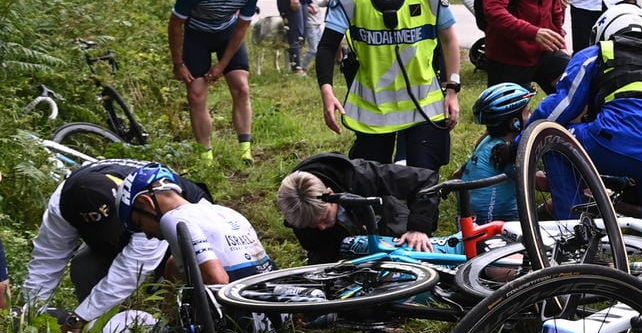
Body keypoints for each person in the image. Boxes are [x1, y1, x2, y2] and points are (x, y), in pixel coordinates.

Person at [314, 0, 462, 172]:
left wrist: (452, 90)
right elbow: (327, 46)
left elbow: (450, 40)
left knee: (424, 187)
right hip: (373, 111)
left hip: (424, 106)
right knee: (372, 188)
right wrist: (327, 91)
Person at [531, 3, 642, 218]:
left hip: (611, 140)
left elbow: (562, 106)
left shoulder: (597, 53)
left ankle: (572, 225)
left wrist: (523, 141)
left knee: (554, 140)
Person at [22, 159, 208, 332]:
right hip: (136, 224)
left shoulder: (143, 200)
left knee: (174, 288)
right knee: (84, 267)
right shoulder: (63, 206)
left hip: (174, 227)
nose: (113, 241)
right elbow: (47, 261)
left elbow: (131, 270)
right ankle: (97, 332)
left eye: (113, 229)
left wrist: (79, 317)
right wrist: (30, 316)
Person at [168, 0, 258, 162]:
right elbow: (175, 25)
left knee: (241, 88)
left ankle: (245, 150)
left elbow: (240, 29)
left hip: (227, 35)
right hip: (197, 37)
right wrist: (178, 63)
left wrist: (222, 65)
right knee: (196, 95)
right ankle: (206, 156)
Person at [118, 163, 273, 285]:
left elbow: (217, 279)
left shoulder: (172, 218)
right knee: (173, 265)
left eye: (139, 224)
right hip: (272, 300)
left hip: (243, 315)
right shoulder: (225, 212)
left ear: (146, 202)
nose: (148, 235)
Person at [276, 152, 441, 264]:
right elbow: (319, 250)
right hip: (347, 249)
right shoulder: (298, 210)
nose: (321, 227)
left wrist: (418, 228)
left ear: (330, 194)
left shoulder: (361, 176)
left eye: (324, 218)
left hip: (391, 227)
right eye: (312, 226)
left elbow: (425, 180)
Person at [457, 82, 534, 225]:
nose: (532, 115)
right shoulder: (506, 151)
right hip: (492, 225)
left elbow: (459, 172)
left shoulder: (487, 140)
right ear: (515, 123)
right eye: (528, 112)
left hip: (468, 219)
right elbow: (540, 183)